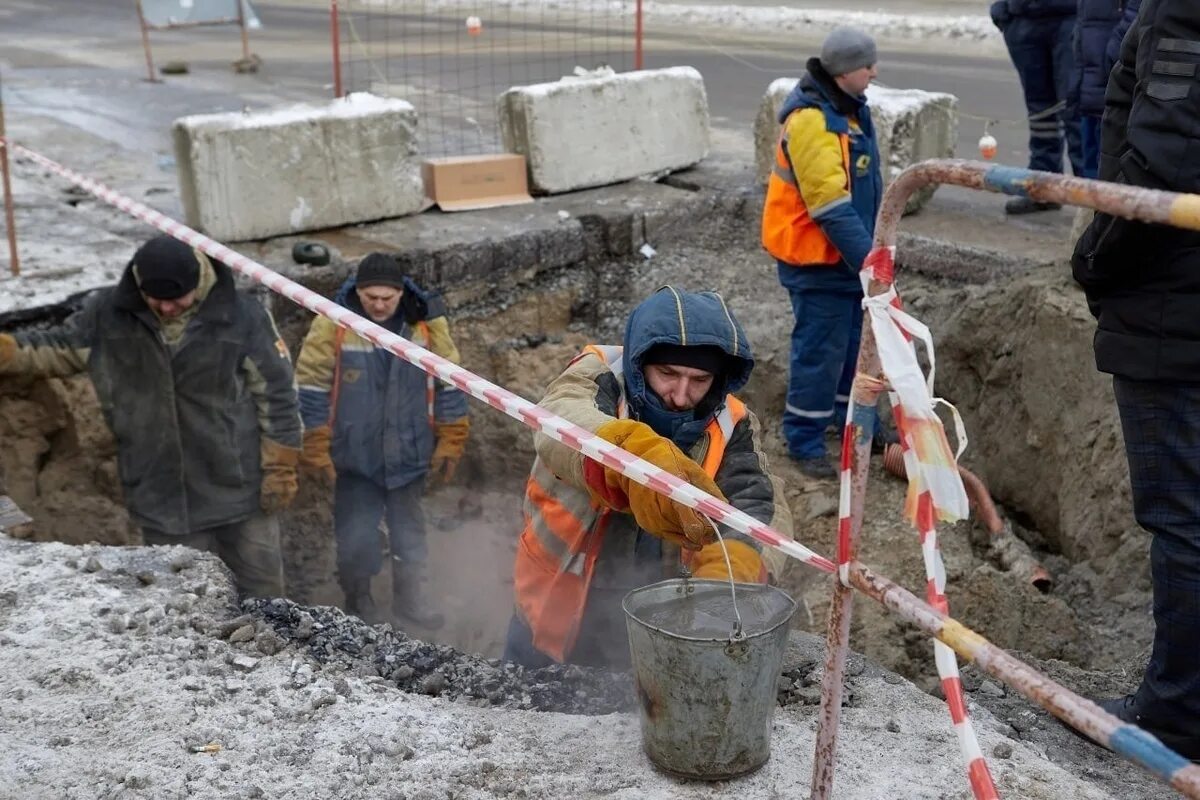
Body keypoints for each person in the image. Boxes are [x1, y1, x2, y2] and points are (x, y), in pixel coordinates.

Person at [502, 287, 794, 669]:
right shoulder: (597, 376)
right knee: (523, 700)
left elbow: (757, 504)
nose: (680, 395)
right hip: (556, 596)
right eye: (667, 373)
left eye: (700, 379)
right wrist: (632, 457)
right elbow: (561, 421)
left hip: (660, 606)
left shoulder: (730, 422)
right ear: (640, 363)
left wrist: (723, 584)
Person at [0, 234, 301, 597]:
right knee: (185, 604)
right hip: (161, 497)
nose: (167, 308)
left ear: (198, 285)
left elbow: (278, 393)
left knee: (265, 595)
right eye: (156, 299)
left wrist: (281, 467)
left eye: (177, 300)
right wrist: (10, 352)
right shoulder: (108, 315)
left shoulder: (241, 316)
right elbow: (59, 349)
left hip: (239, 486)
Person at [1071, 0, 1200, 760]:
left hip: (1171, 313)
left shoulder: (1183, 12)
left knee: (1182, 520)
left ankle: (1178, 709)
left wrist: (1097, 257)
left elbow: (1159, 164)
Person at [295, 253, 468, 630]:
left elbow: (450, 383)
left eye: (385, 298)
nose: (377, 304)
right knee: (356, 538)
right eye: (369, 296)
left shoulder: (424, 328)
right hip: (354, 460)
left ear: (399, 292)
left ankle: (411, 602)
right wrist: (316, 442)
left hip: (408, 456)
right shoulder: (335, 323)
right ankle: (359, 602)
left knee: (410, 537)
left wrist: (452, 438)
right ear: (357, 292)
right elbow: (310, 385)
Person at [761, 26, 883, 479]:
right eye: (868, 65)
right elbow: (830, 207)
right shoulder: (813, 121)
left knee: (852, 343)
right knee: (821, 350)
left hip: (843, 259)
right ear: (847, 70)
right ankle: (804, 440)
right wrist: (872, 260)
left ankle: (841, 416)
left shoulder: (849, 110)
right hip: (815, 260)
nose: (875, 71)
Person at [990, 0, 1086, 212]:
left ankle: (1092, 198)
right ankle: (1043, 188)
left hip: (1071, 16)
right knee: (1040, 112)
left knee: (1074, 108)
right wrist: (1003, 10)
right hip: (1023, 18)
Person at [1068, 0, 1123, 178]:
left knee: (1108, 161)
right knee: (1089, 158)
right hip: (1088, 82)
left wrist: (1116, 50)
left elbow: (1136, 13)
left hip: (1109, 80)